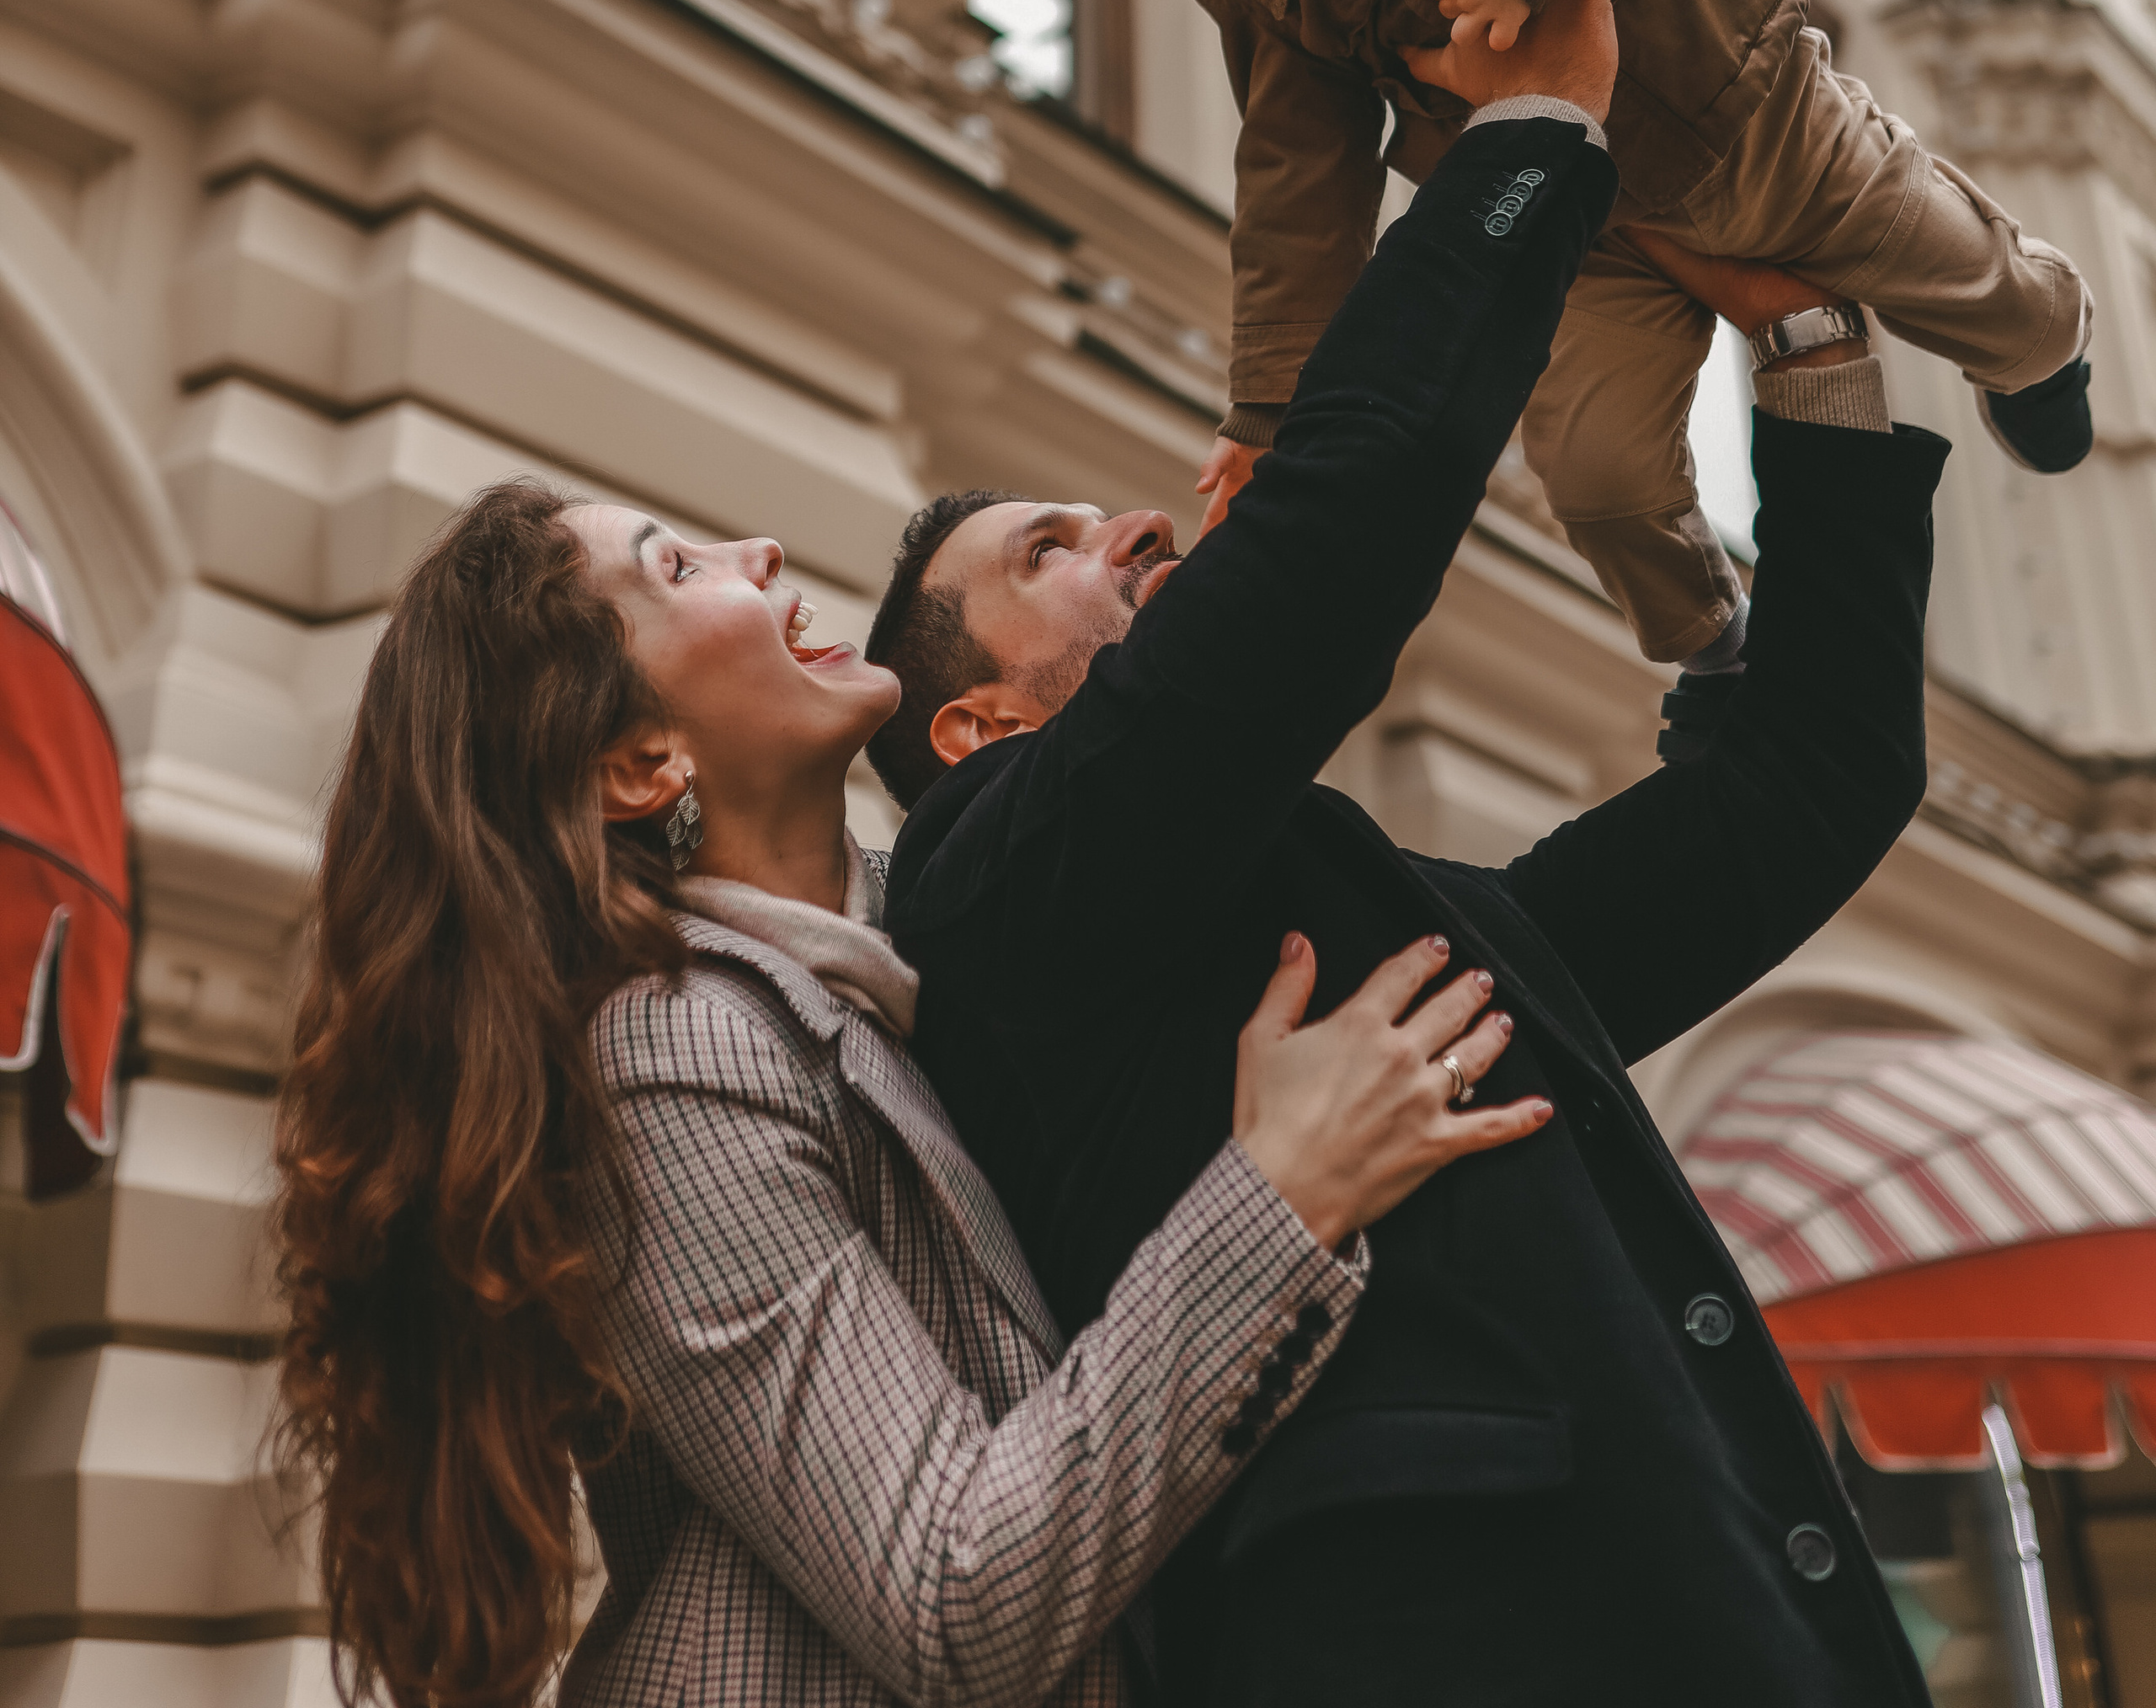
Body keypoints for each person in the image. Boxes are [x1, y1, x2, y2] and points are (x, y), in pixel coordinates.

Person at [867, 0, 1948, 1706]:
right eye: (1042, 550)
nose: (1136, 526)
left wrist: (1806, 344)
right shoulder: (991, 881)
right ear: (973, 724)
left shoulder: (1405, 927)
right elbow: (1331, 539)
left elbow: (1809, 780)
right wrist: (1529, 133)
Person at [274, 478, 1552, 1708]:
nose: (760, 550)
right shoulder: (675, 1053)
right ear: (642, 762)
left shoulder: (930, 957)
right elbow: (956, 1592)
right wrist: (1283, 1194)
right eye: (678, 567)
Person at [1031, 0, 2089, 694]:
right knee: (1590, 473)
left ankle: (2051, 339)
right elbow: (1296, 182)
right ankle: (1708, 641)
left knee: (1973, 284)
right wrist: (1272, 404)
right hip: (1583, 220)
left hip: (1745, 107)